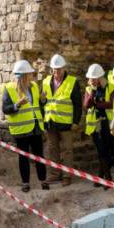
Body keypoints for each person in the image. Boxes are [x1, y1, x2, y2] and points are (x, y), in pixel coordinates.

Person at [2, 60, 49, 192]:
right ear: (23, 75)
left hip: (35, 127)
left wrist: (43, 100)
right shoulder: (10, 88)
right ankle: (25, 183)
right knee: (24, 157)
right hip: (21, 130)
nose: (32, 76)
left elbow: (37, 106)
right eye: (29, 74)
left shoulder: (34, 86)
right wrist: (17, 104)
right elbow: (5, 109)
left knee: (39, 155)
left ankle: (43, 180)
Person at [41, 54, 82, 186]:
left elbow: (77, 104)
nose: (56, 72)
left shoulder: (72, 82)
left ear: (64, 68)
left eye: (58, 69)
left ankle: (66, 176)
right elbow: (44, 101)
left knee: (67, 150)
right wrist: (42, 101)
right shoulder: (46, 81)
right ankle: (54, 174)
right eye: (54, 69)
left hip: (66, 123)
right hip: (51, 121)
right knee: (52, 149)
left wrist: (75, 121)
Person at [83, 63, 114, 187]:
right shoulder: (88, 89)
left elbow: (113, 104)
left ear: (101, 77)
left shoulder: (111, 87)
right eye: (92, 79)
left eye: (96, 78)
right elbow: (86, 105)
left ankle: (100, 177)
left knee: (106, 150)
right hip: (95, 125)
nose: (94, 81)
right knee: (101, 150)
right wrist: (92, 92)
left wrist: (97, 104)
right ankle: (107, 179)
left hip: (107, 123)